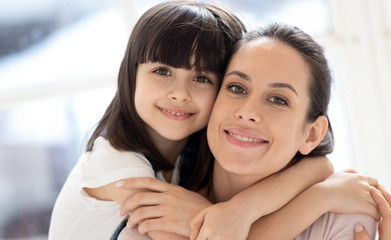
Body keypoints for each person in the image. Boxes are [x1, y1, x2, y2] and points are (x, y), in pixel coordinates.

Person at [48, 1, 335, 239]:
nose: (179, 94)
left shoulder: (193, 151)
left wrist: (245, 207)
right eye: (162, 71)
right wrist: (319, 201)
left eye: (201, 78)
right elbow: (217, 235)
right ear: (131, 74)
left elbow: (318, 165)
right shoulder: (117, 166)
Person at [116, 24, 391, 239]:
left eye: (278, 99)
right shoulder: (157, 207)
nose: (248, 111)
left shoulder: (343, 217)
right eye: (237, 88)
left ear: (311, 135)